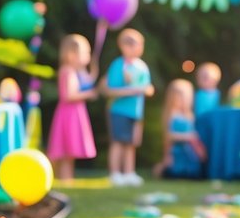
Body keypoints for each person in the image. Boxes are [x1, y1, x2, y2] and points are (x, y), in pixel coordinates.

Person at [100, 28, 154, 186]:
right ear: (122, 46)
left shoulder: (142, 66)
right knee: (118, 142)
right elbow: (110, 90)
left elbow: (148, 88)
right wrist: (132, 89)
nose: (137, 47)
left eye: (139, 44)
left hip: (136, 112)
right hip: (119, 110)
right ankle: (115, 173)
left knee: (131, 143)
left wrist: (142, 89)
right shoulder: (118, 65)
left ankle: (129, 172)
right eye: (132, 44)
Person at [46, 34, 98, 180]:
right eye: (85, 52)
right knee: (65, 148)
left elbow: (87, 80)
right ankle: (63, 177)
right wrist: (88, 94)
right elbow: (68, 95)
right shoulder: (67, 71)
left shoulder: (76, 71)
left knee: (70, 149)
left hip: (74, 112)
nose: (88, 56)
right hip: (68, 113)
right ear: (71, 54)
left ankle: (68, 178)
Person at [154, 79, 206, 179]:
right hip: (177, 151)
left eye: (185, 96)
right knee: (175, 171)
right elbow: (169, 136)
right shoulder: (172, 115)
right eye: (179, 96)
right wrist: (167, 155)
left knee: (193, 172)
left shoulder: (189, 115)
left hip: (189, 152)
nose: (183, 100)